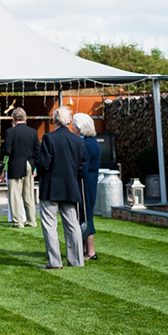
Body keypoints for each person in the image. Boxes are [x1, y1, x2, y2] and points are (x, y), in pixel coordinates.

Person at [38, 107, 87, 269]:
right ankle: (77, 260)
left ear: (53, 120)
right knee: (72, 224)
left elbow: (43, 164)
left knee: (49, 225)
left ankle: (54, 261)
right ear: (69, 121)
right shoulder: (79, 141)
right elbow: (82, 168)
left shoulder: (48, 138)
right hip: (70, 186)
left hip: (51, 187)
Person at [2, 107, 40, 228]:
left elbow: (7, 150)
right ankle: (31, 220)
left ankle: (18, 221)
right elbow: (37, 151)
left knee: (15, 194)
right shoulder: (33, 132)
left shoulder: (10, 132)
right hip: (29, 163)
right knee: (28, 194)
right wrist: (34, 166)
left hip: (15, 164)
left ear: (13, 118)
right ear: (25, 118)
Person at [74, 111, 101, 261]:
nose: (72, 128)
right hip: (89, 182)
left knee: (85, 215)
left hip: (85, 183)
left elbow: (83, 168)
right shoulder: (92, 142)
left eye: (74, 126)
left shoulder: (86, 144)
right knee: (84, 214)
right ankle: (85, 249)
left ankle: (90, 251)